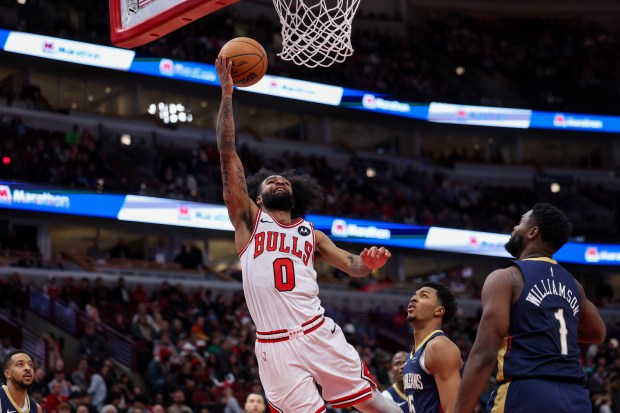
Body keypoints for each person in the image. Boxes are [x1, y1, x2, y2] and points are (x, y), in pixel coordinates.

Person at [215, 56, 401, 413]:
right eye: (270, 180)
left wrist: (368, 262)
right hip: (273, 344)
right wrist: (227, 94)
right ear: (256, 196)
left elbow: (353, 266)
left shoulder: (311, 234)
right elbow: (227, 154)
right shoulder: (249, 221)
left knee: (374, 403)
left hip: (317, 330)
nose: (278, 179)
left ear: (295, 194)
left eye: (284, 179)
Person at [454, 203, 607, 413]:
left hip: (526, 392)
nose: (514, 228)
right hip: (576, 398)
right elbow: (598, 333)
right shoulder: (574, 285)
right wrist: (544, 328)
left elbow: (484, 354)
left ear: (533, 232)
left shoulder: (507, 278)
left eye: (520, 222)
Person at [403, 282, 462, 413]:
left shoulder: (440, 346)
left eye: (423, 296)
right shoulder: (411, 355)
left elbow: (454, 409)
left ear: (439, 310)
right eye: (414, 295)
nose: (413, 298)